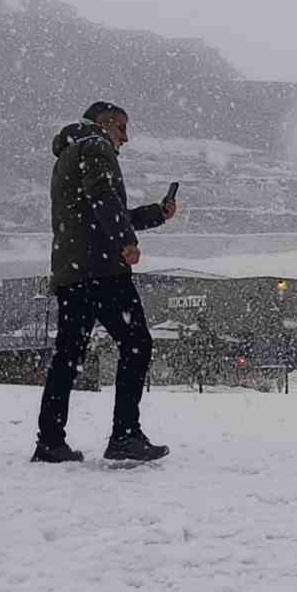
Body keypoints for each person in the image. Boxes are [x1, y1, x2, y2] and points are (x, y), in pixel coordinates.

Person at [32, 101, 178, 463]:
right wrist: (126, 241)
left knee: (67, 356)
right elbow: (104, 200)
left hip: (72, 271)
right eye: (123, 129)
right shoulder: (95, 146)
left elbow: (101, 210)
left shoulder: (69, 153)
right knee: (137, 343)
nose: (126, 139)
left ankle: (50, 440)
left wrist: (157, 214)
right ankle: (125, 435)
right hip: (101, 270)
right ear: (106, 123)